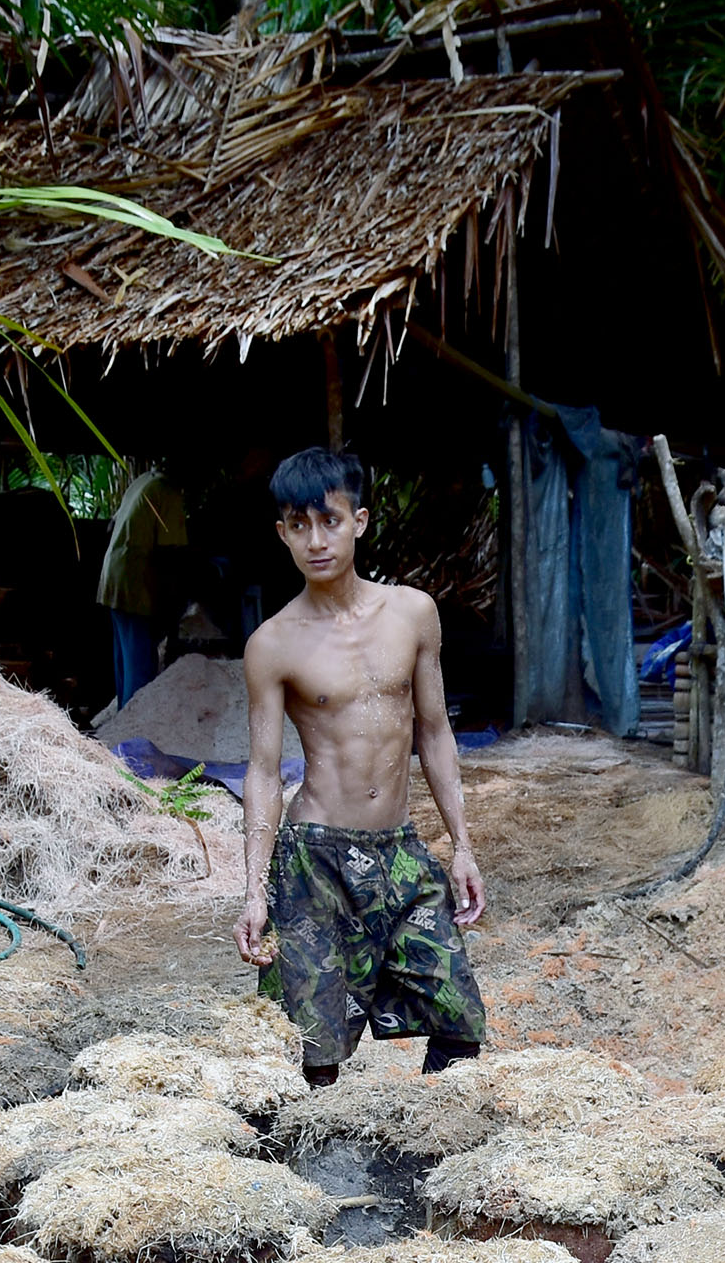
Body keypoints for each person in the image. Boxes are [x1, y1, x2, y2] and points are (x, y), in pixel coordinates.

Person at [239, 446, 489, 1086]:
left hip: (400, 850)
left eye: (329, 521)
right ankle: (325, 1171)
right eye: (299, 525)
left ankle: (428, 1142)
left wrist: (461, 846)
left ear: (361, 521)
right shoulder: (272, 644)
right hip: (314, 858)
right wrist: (253, 890)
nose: (315, 540)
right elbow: (264, 771)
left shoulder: (412, 613)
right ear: (282, 534)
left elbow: (433, 731)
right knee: (315, 1053)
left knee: (458, 1022)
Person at [99, 460, 191, 706]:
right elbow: (171, 553)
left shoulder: (143, 480)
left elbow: (111, 525)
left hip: (114, 578)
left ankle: (122, 723)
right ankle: (134, 734)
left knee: (126, 663)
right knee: (140, 670)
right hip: (134, 584)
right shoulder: (167, 491)